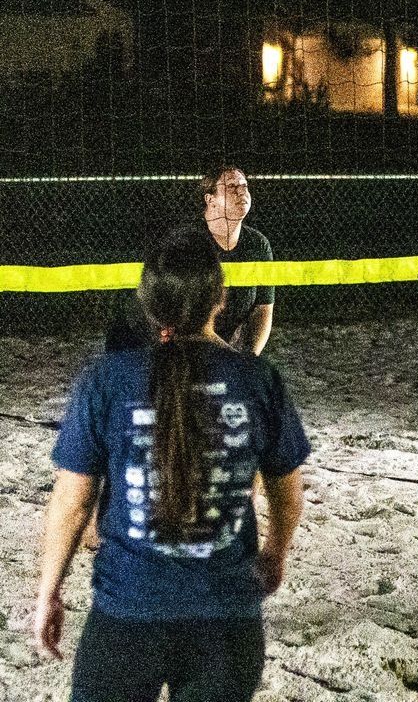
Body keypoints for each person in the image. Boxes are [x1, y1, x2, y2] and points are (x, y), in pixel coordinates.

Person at [33, 226, 310, 701]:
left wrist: (48, 595)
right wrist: (275, 554)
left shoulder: (106, 380)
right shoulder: (257, 380)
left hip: (128, 616)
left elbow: (72, 504)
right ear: (220, 298)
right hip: (226, 625)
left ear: (147, 303)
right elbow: (288, 495)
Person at [107, 166, 276, 356]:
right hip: (152, 342)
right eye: (231, 186)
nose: (241, 191)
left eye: (244, 186)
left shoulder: (258, 244)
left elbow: (263, 309)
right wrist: (236, 361)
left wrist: (251, 356)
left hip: (211, 345)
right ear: (210, 199)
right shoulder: (188, 241)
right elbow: (192, 325)